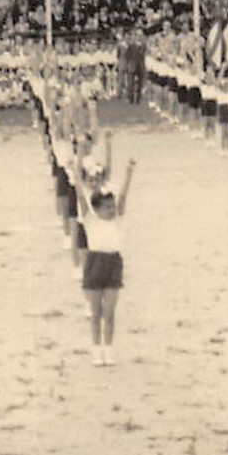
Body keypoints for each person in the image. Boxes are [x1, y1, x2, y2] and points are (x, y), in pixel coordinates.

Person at [74, 156, 136, 366]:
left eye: (112, 207)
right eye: (107, 208)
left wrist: (128, 174)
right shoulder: (89, 220)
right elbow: (81, 198)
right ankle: (96, 349)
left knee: (109, 313)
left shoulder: (117, 220)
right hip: (94, 264)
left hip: (112, 264)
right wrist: (75, 172)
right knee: (95, 313)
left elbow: (124, 198)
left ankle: (108, 349)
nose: (111, 211)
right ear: (97, 209)